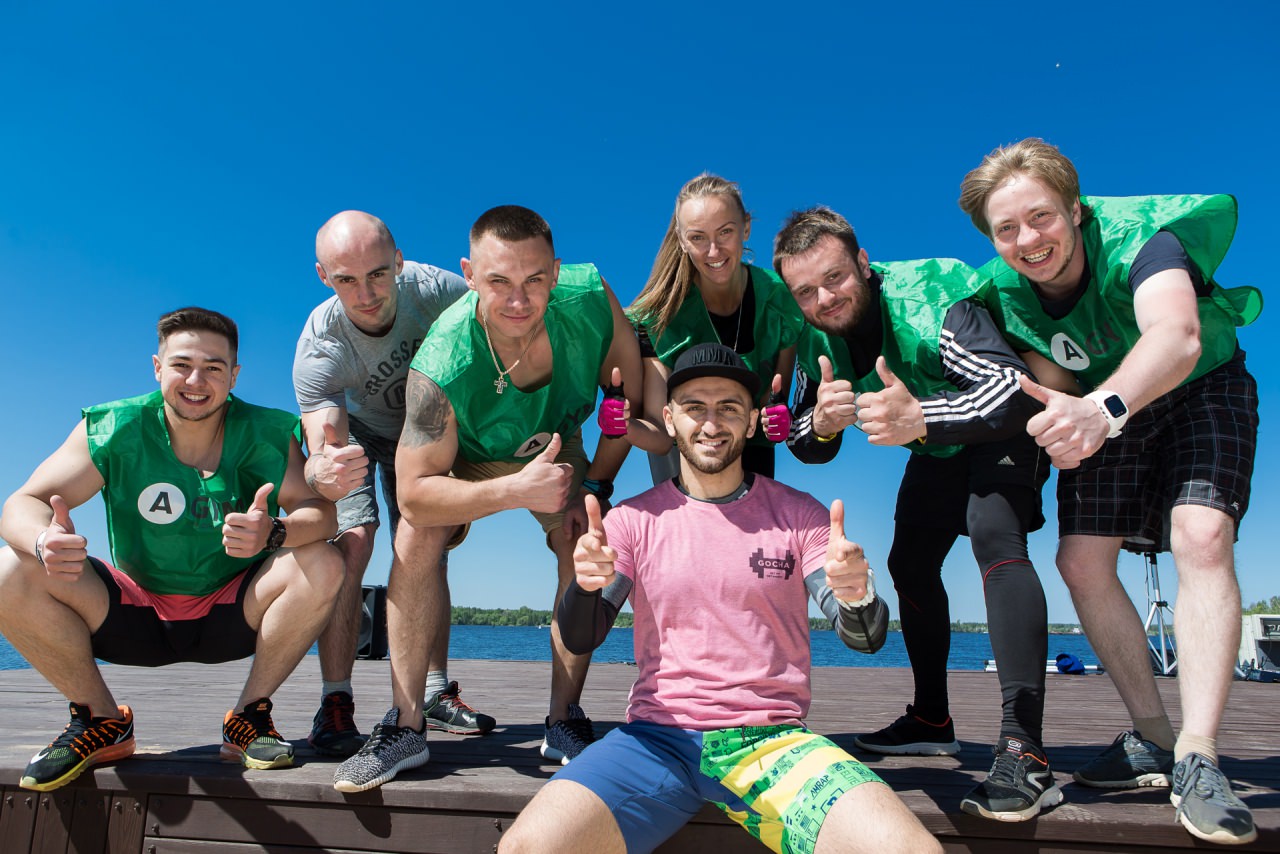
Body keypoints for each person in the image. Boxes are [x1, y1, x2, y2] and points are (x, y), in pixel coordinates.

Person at [497, 343, 939, 854]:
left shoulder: (801, 516)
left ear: (752, 422)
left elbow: (865, 638)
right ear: (669, 420)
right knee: (525, 847)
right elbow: (581, 636)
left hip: (772, 746)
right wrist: (585, 586)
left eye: (729, 407)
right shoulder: (631, 522)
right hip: (654, 742)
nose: (711, 423)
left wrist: (857, 595)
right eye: (695, 407)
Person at [958, 138, 1261, 845]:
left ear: (1076, 210)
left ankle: (1199, 756)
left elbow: (1177, 335)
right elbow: (1050, 376)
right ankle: (1153, 737)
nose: (1028, 240)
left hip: (1198, 384)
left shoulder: (1140, 239)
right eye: (1007, 229)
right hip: (1102, 399)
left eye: (1041, 217)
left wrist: (1100, 410)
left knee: (1201, 534)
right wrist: (1062, 416)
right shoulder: (1000, 292)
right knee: (1080, 560)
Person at [331, 205, 653, 792]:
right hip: (466, 453)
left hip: (556, 441)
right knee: (415, 534)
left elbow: (624, 408)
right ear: (470, 275)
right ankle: (405, 725)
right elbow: (414, 494)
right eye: (499, 281)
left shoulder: (589, 297)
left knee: (584, 535)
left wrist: (594, 487)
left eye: (535, 280)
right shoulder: (442, 363)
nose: (519, 301)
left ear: (557, 272)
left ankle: (564, 719)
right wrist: (510, 490)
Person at [774, 207, 1059, 822]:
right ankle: (932, 719)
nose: (824, 299)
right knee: (909, 563)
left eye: (834, 278)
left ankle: (1025, 750)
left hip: (1001, 428)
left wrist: (922, 416)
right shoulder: (814, 340)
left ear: (864, 265)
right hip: (935, 442)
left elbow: (1013, 391)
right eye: (805, 291)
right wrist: (822, 423)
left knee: (994, 535)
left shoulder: (932, 301)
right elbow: (801, 440)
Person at [0, 307, 343, 791]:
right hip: (133, 609)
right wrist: (44, 541)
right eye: (182, 365)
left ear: (234, 375)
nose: (196, 381)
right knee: (9, 567)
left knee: (323, 560)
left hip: (230, 609)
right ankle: (101, 721)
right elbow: (23, 502)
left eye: (213, 368)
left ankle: (249, 717)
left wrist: (274, 533)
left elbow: (322, 514)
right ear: (158, 368)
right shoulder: (115, 426)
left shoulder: (264, 431)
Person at [294, 210, 486, 759]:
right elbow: (324, 447)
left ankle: (434, 692)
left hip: (425, 430)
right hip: (359, 433)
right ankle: (335, 701)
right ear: (323, 276)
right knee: (352, 542)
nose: (366, 294)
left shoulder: (440, 292)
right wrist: (321, 470)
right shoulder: (321, 345)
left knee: (425, 547)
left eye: (378, 274)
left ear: (399, 261)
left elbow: (493, 346)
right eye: (346, 280)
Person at [628, 173, 802, 482]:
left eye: (725, 232)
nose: (713, 251)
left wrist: (776, 421)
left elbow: (772, 409)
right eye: (698, 237)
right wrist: (622, 426)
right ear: (682, 241)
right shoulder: (658, 316)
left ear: (746, 228)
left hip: (749, 444)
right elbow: (660, 432)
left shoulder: (782, 300)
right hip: (682, 451)